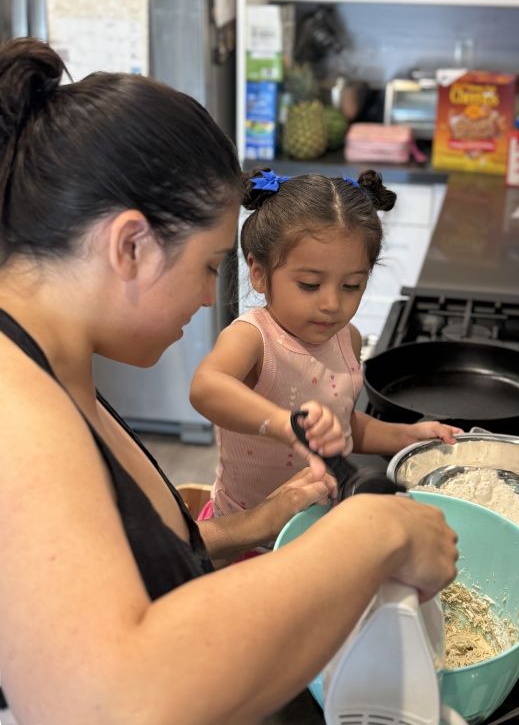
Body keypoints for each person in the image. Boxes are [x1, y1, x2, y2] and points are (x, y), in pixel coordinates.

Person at [0, 37, 458, 725]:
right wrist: (372, 532)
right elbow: (105, 704)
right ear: (131, 245)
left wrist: (260, 521)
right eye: (210, 264)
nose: (207, 296)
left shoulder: (57, 372)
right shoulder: (14, 409)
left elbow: (131, 556)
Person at [190, 168, 463, 517]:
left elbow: (344, 425)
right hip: (247, 532)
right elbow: (205, 387)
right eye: (309, 284)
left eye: (351, 286)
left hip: (318, 520)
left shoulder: (347, 339)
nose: (332, 304)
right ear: (259, 273)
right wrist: (286, 425)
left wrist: (409, 437)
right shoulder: (254, 338)